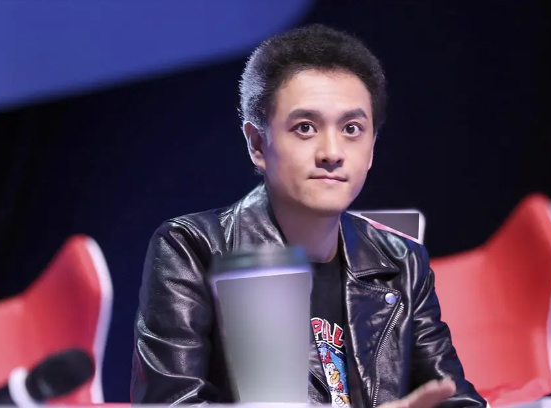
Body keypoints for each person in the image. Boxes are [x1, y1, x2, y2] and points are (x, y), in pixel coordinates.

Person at [131, 23, 486, 408]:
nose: (332, 152)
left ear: (371, 149)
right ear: (257, 144)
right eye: (305, 128)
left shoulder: (403, 261)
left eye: (352, 129)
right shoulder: (191, 249)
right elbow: (172, 403)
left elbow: (456, 399)